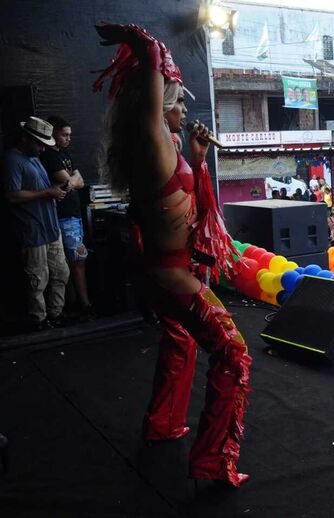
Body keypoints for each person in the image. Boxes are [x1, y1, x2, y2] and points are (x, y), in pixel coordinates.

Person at [93, 23, 251, 486]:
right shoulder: (157, 142)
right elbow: (148, 105)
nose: (186, 110)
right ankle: (211, 465)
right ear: (161, 106)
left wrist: (200, 159)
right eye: (179, 101)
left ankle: (163, 424)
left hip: (163, 270)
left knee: (181, 339)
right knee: (235, 355)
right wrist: (147, 51)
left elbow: (190, 212)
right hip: (169, 274)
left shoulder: (174, 150)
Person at [2, 116, 70, 330]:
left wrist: (52, 193)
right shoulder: (12, 160)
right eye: (39, 143)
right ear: (25, 138)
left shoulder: (34, 157)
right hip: (32, 230)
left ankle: (55, 314)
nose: (42, 148)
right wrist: (47, 192)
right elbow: (12, 196)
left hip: (50, 227)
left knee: (60, 273)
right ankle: (38, 320)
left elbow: (42, 187)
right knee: (37, 279)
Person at [40, 116, 92, 318]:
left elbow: (79, 180)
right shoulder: (50, 157)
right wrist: (72, 180)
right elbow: (69, 181)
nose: (68, 139)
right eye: (64, 135)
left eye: (70, 135)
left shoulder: (64, 153)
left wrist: (72, 180)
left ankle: (74, 301)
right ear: (53, 134)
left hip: (73, 215)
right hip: (64, 217)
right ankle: (85, 304)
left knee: (73, 260)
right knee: (78, 259)